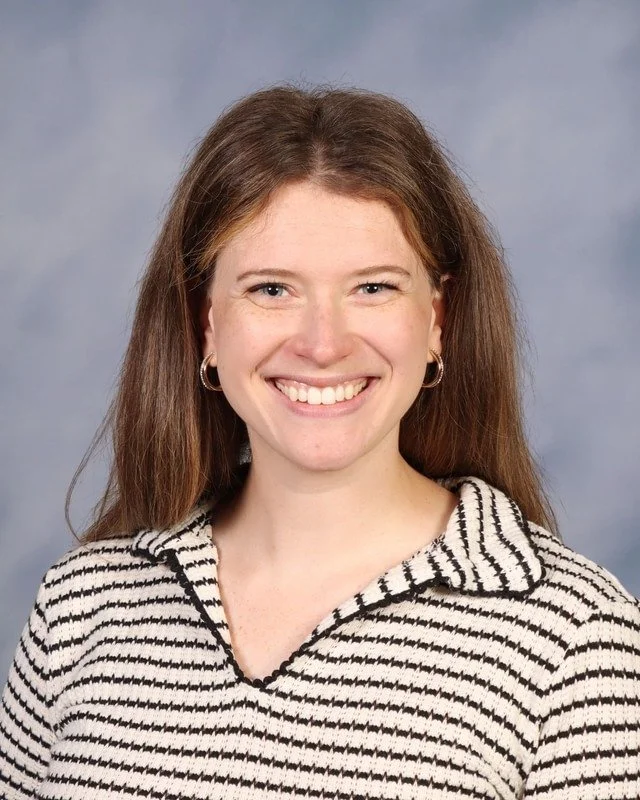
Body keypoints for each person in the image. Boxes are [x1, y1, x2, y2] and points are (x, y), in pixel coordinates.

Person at [0, 84, 638, 800]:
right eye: (272, 289)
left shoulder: (578, 636)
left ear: (435, 320)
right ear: (206, 324)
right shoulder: (84, 603)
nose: (322, 344)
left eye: (372, 288)